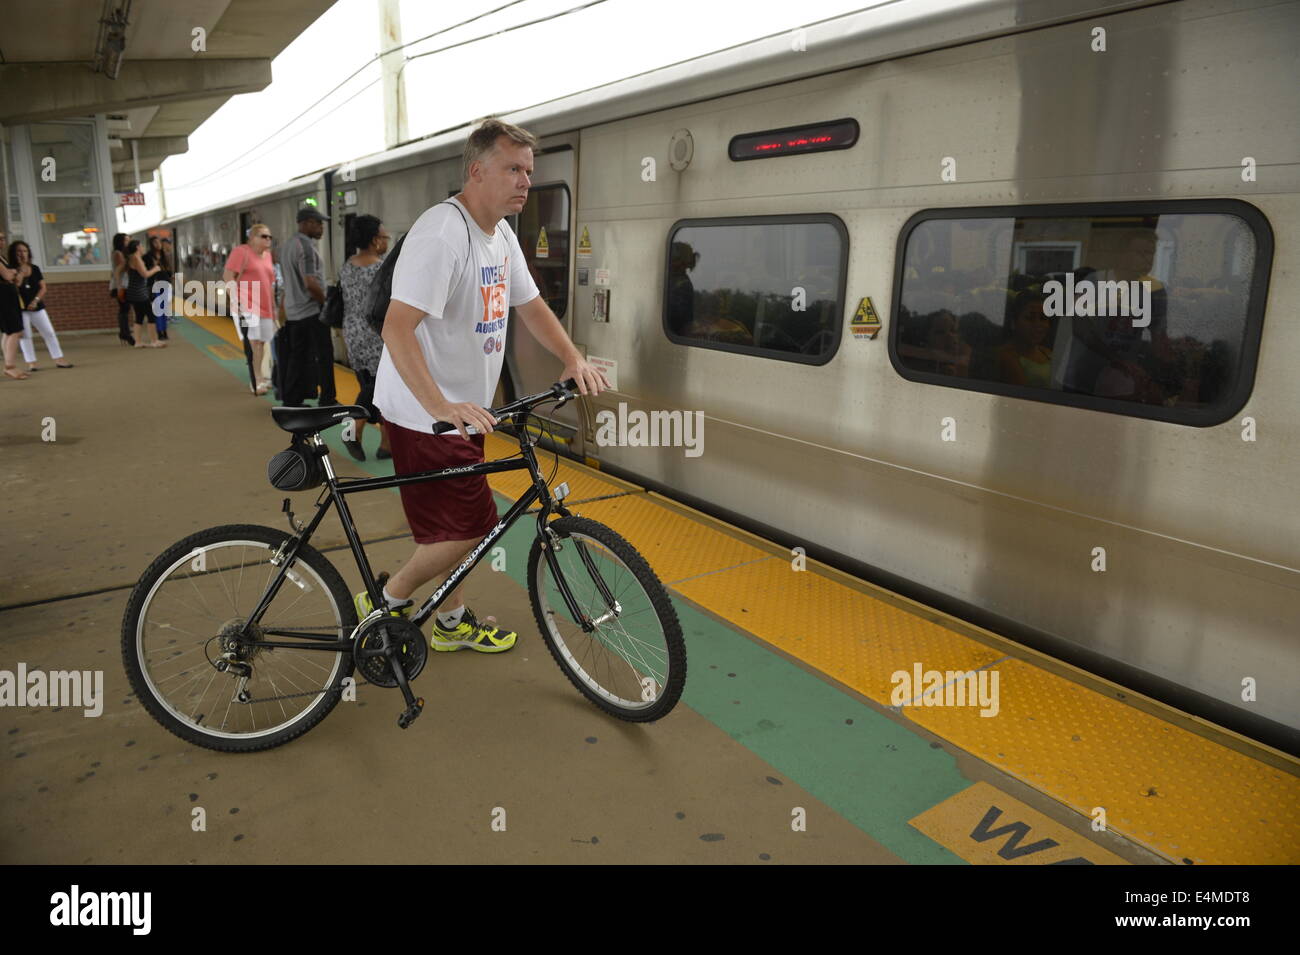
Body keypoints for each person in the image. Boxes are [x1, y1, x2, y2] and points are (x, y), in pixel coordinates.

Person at [365, 117, 609, 653]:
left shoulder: (499, 233)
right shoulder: (442, 233)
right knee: (473, 525)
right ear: (476, 171)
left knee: (443, 527)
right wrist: (440, 406)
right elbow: (396, 328)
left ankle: (449, 623)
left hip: (462, 410)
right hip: (424, 410)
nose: (525, 180)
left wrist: (571, 357)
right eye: (512, 169)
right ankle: (389, 598)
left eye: (529, 170)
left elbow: (530, 304)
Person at [339, 214, 392, 460]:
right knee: (378, 388)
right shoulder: (380, 268)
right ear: (374, 240)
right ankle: (353, 429)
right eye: (383, 236)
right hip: (376, 334)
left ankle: (386, 445)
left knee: (373, 387)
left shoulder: (348, 265)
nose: (387, 240)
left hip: (353, 333)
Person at [282, 207, 335, 406]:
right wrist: (325, 304)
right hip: (311, 311)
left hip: (294, 312)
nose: (321, 227)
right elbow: (310, 283)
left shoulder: (288, 245)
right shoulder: (305, 246)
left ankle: (292, 400)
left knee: (297, 356)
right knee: (324, 356)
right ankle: (328, 398)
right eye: (318, 223)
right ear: (306, 223)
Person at [222, 224, 277, 394]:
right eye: (263, 236)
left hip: (265, 305)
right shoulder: (241, 252)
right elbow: (228, 276)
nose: (268, 239)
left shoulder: (267, 256)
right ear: (252, 238)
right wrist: (235, 300)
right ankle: (256, 381)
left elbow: (271, 282)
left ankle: (260, 377)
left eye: (269, 237)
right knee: (254, 343)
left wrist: (274, 307)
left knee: (261, 342)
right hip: (247, 305)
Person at [9, 241, 73, 371]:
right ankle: (31, 362)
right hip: (20, 308)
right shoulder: (10, 270)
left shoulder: (35, 268)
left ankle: (58, 358)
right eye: (18, 251)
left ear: (29, 253)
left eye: (24, 251)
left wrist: (35, 301)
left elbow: (43, 287)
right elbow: (13, 288)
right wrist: (19, 272)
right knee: (26, 335)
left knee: (49, 332)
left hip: (36, 306)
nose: (22, 254)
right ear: (13, 254)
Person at [996, 291, 1051, 388]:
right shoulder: (1007, 357)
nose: (1038, 325)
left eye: (1043, 318)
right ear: (1014, 322)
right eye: (1030, 318)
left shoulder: (1047, 352)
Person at [124, 239, 165, 348]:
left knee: (139, 316)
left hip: (134, 291)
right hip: (139, 292)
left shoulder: (131, 258)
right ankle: (154, 340)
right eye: (141, 246)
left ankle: (138, 342)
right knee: (151, 315)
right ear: (137, 247)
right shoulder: (136, 258)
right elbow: (145, 274)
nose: (143, 248)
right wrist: (156, 269)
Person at [0, 230, 27, 380]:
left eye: (3, 239)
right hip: (3, 297)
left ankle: (9, 364)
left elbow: (16, 279)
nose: (2, 242)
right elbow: (8, 275)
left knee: (8, 331)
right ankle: (10, 366)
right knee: (14, 331)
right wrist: (13, 273)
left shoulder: (2, 258)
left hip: (9, 295)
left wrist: (14, 273)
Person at [144, 235, 173, 342]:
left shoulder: (163, 256)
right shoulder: (147, 257)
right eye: (155, 243)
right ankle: (159, 332)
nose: (158, 245)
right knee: (157, 310)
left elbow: (168, 271)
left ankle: (164, 331)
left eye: (159, 242)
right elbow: (146, 272)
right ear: (151, 245)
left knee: (164, 309)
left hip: (165, 283)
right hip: (154, 285)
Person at [111, 232, 134, 345]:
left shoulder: (121, 253)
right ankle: (125, 333)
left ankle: (124, 332)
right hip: (120, 285)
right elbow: (119, 271)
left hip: (123, 284)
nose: (127, 242)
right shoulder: (118, 253)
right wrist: (119, 286)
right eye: (125, 240)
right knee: (124, 308)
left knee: (125, 309)